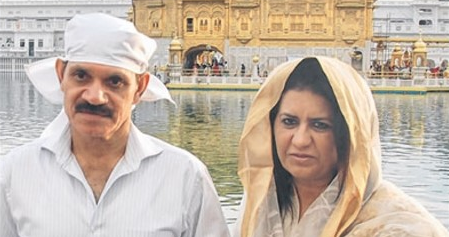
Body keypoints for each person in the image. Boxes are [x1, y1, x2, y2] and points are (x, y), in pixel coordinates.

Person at [0, 13, 230, 237]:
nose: (95, 96)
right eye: (81, 76)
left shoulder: (185, 177)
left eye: (115, 81)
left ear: (139, 88)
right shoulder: (15, 172)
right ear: (61, 76)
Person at [232, 57, 449, 237]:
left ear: (351, 136)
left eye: (320, 125)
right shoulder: (261, 203)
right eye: (289, 122)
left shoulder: (398, 227)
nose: (300, 140)